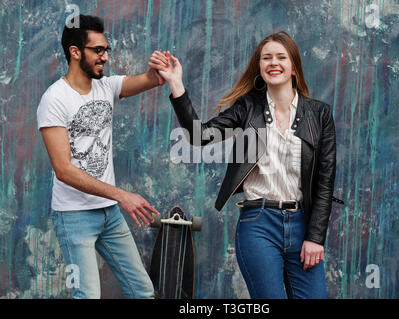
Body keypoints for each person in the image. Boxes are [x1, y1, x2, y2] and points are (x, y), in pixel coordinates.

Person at [150, 31, 342, 299]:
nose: (273, 63)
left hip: (303, 224)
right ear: (259, 67)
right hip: (259, 223)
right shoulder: (247, 109)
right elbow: (199, 135)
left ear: (294, 66)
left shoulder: (319, 114)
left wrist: (316, 237)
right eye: (266, 58)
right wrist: (176, 84)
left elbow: (324, 182)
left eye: (281, 57)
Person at [37, 15, 165, 299]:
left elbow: (148, 80)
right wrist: (122, 195)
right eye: (98, 50)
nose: (105, 57)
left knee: (143, 292)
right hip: (74, 217)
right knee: (88, 296)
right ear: (75, 52)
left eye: (106, 50)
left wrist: (160, 70)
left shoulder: (105, 87)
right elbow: (63, 170)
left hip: (109, 215)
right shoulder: (54, 99)